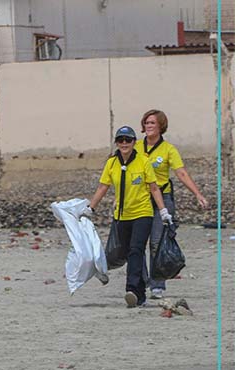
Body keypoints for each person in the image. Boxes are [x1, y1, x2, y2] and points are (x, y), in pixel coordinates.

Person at [83, 126, 171, 308]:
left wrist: (163, 211)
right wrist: (90, 208)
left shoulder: (143, 161)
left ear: (133, 142)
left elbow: (154, 188)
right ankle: (139, 295)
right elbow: (103, 187)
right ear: (116, 142)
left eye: (128, 140)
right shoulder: (112, 163)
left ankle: (130, 289)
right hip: (122, 216)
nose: (124, 143)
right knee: (124, 252)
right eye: (120, 140)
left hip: (142, 213)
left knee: (136, 250)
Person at [135, 109, 209, 299]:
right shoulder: (134, 146)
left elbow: (181, 172)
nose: (148, 126)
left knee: (157, 242)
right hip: (139, 199)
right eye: (146, 123)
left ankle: (158, 285)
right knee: (137, 244)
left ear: (161, 126)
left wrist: (197, 194)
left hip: (163, 198)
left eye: (152, 123)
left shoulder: (168, 149)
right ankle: (139, 283)